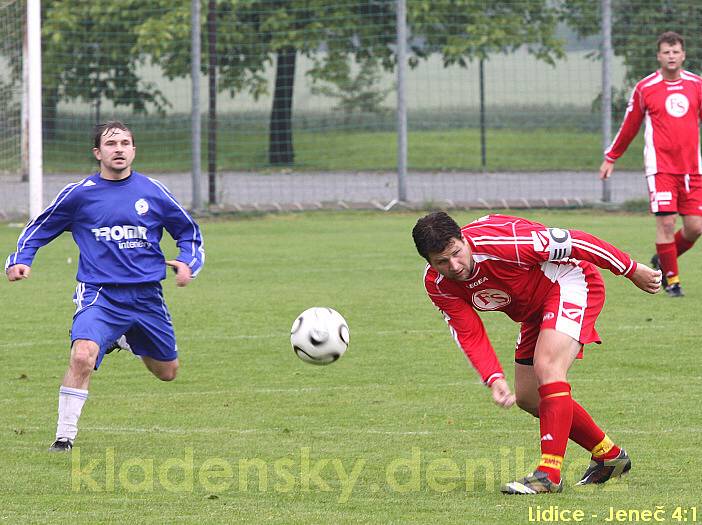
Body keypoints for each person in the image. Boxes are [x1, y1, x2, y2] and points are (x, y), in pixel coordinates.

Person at [412, 212, 661, 494]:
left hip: (570, 280)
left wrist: (630, 269)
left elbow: (576, 241)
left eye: (457, 253)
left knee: (548, 367)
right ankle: (610, 456)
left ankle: (548, 473)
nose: (454, 266)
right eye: (442, 262)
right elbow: (469, 332)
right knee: (529, 397)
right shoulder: (438, 284)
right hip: (533, 311)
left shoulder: (505, 244)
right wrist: (493, 377)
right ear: (429, 262)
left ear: (463, 239)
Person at [5, 121, 204, 452]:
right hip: (100, 294)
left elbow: (188, 232)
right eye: (112, 143)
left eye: (126, 143)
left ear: (134, 150)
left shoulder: (153, 191)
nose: (119, 149)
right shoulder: (80, 194)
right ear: (98, 152)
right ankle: (64, 437)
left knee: (167, 372)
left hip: (147, 297)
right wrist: (20, 259)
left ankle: (124, 338)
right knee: (82, 355)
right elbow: (40, 227)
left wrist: (188, 262)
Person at [600, 31, 702, 298]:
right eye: (666, 52)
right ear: (659, 56)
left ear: (683, 55)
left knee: (695, 227)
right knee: (667, 224)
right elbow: (630, 125)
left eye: (675, 51)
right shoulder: (646, 88)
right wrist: (612, 157)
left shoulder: (696, 85)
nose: (671, 56)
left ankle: (663, 259)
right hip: (661, 169)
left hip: (693, 169)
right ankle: (673, 280)